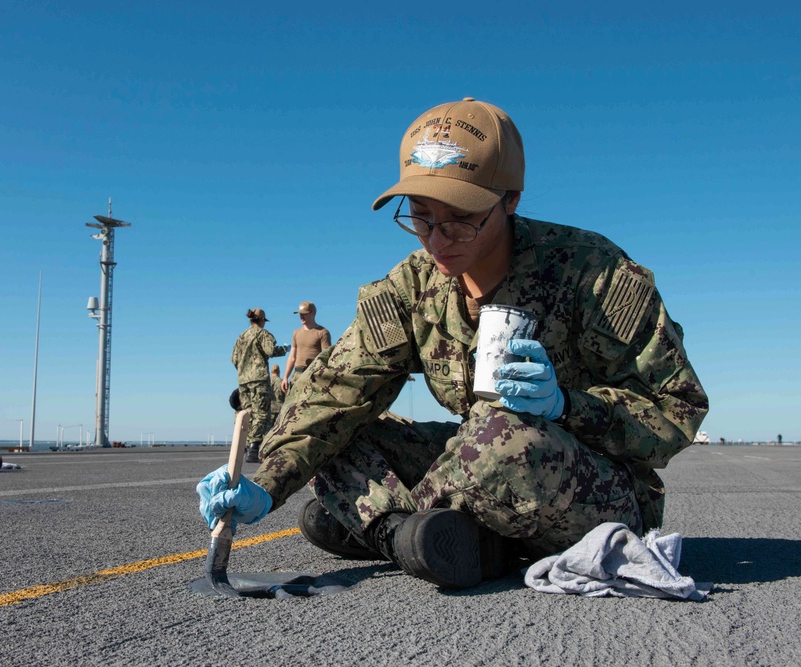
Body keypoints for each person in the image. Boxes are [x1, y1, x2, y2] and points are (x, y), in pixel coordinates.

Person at [199, 97, 708, 589]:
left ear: (510, 199)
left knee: (507, 437)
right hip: (474, 465)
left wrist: (568, 406)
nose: (438, 239)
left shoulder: (594, 276)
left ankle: (393, 529)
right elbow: (335, 393)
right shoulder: (409, 288)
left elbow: (676, 409)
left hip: (589, 485)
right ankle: (429, 538)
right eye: (420, 217)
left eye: (462, 219)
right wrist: (266, 485)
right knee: (339, 434)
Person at [231, 309, 288, 463]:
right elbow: (270, 351)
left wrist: (244, 370)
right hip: (259, 379)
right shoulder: (263, 334)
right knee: (261, 414)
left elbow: (234, 358)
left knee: (247, 412)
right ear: (262, 320)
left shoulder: (241, 337)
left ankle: (245, 445)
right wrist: (285, 349)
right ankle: (254, 448)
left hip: (243, 380)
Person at [281, 302, 332, 395]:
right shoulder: (296, 333)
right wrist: (285, 377)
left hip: (313, 376)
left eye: (304, 314)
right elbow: (292, 357)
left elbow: (326, 358)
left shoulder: (323, 333)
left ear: (312, 313)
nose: (301, 316)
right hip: (297, 376)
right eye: (300, 314)